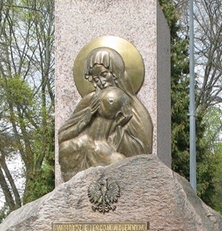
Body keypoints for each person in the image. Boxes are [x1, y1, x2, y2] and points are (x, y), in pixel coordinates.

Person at [57, 46, 153, 182]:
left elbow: (141, 153)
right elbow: (62, 135)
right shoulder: (89, 100)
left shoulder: (133, 107)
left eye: (104, 75)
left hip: (107, 152)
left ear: (115, 73)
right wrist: (85, 120)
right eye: (95, 79)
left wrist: (121, 126)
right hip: (84, 146)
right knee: (67, 148)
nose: (101, 82)